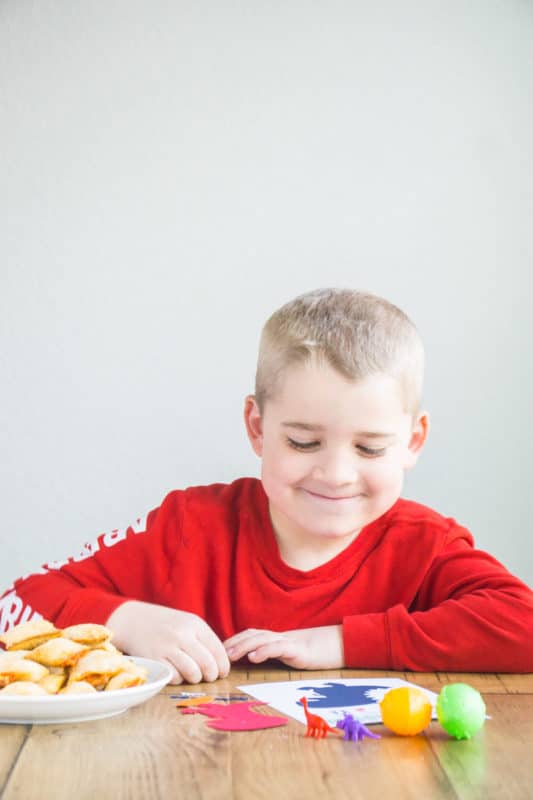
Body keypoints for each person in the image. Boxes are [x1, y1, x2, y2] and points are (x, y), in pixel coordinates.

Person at [1, 288, 532, 684]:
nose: (337, 473)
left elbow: (523, 624)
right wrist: (128, 621)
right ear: (256, 427)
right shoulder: (189, 526)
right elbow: (13, 604)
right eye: (303, 442)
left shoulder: (425, 544)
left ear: (413, 442)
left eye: (370, 448)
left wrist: (345, 642)